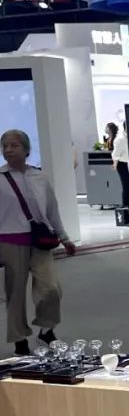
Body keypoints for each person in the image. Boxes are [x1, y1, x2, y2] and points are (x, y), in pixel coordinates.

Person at [0, 128, 76, 355]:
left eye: (14, 145)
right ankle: (19, 339)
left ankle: (46, 330)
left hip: (40, 241)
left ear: (26, 150)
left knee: (50, 288)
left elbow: (52, 210)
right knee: (15, 293)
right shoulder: (0, 179)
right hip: (10, 241)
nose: (8, 150)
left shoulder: (39, 177)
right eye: (5, 146)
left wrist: (64, 237)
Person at [109, 120, 129, 212]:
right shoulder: (120, 139)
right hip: (122, 163)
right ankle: (126, 205)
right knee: (126, 185)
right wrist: (115, 164)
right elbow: (116, 154)